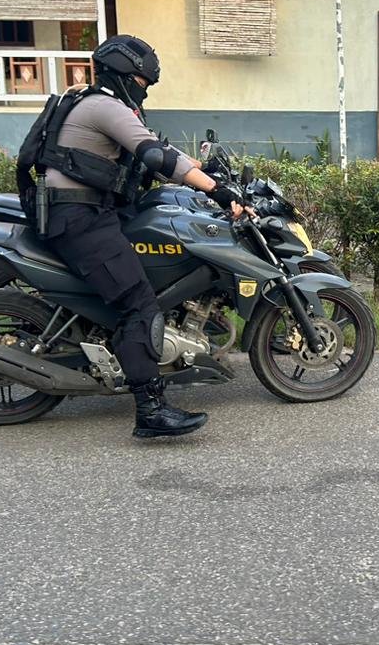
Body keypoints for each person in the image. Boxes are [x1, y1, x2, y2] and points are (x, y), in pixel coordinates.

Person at [39, 34, 246, 438]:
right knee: (140, 304)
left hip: (91, 213)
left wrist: (203, 171)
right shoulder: (104, 107)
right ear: (122, 75)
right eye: (141, 82)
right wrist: (217, 191)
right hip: (81, 218)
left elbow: (157, 150)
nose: (144, 90)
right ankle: (150, 410)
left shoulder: (99, 103)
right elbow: (155, 154)